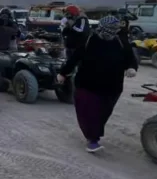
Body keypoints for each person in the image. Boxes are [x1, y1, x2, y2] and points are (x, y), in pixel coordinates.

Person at [57, 15, 138, 153]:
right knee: (88, 113)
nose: (112, 32)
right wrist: (63, 73)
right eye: (110, 29)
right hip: (87, 85)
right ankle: (92, 140)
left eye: (115, 29)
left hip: (112, 87)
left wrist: (132, 68)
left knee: (103, 114)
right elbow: (74, 58)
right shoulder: (89, 40)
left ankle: (94, 134)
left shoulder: (121, 42)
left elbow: (130, 58)